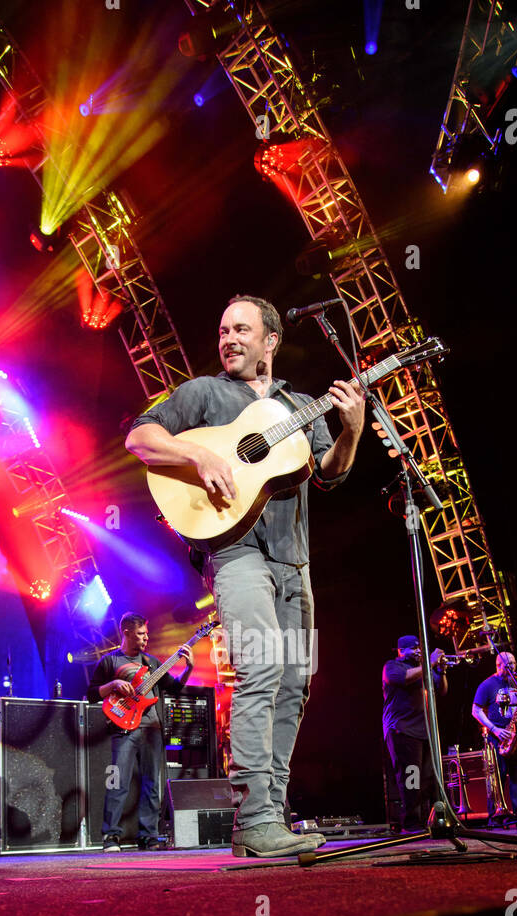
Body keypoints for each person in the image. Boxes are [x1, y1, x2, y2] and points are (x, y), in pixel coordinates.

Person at [125, 294, 365, 858]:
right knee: (260, 669)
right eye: (222, 329)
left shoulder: (301, 405)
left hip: (294, 559)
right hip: (235, 553)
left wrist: (351, 429)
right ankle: (252, 820)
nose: (228, 339)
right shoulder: (203, 393)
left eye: (240, 329)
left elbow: (330, 474)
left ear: (270, 341)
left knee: (296, 684)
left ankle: (271, 815)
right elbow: (140, 438)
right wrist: (199, 459)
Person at [88, 611, 194, 851]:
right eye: (140, 634)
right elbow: (93, 694)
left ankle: (148, 835)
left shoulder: (152, 663)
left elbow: (175, 688)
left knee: (152, 785)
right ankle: (111, 836)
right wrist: (114, 684)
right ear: (126, 632)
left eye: (147, 634)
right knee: (118, 783)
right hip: (123, 728)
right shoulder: (109, 662)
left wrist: (188, 668)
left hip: (152, 728)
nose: (146, 638)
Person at [382, 635, 448, 832]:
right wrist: (431, 662)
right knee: (412, 778)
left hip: (424, 731)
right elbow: (404, 678)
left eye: (420, 647)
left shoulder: (424, 669)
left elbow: (441, 690)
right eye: (413, 648)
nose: (418, 651)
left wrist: (441, 671)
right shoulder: (393, 666)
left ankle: (425, 820)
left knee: (429, 778)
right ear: (401, 651)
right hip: (402, 730)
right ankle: (411, 823)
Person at [471, 650, 517, 824]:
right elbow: (475, 710)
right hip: (497, 738)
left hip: (515, 735)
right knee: (496, 777)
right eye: (508, 664)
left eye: (513, 663)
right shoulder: (487, 685)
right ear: (498, 665)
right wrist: (494, 729)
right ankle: (496, 817)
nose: (512, 667)